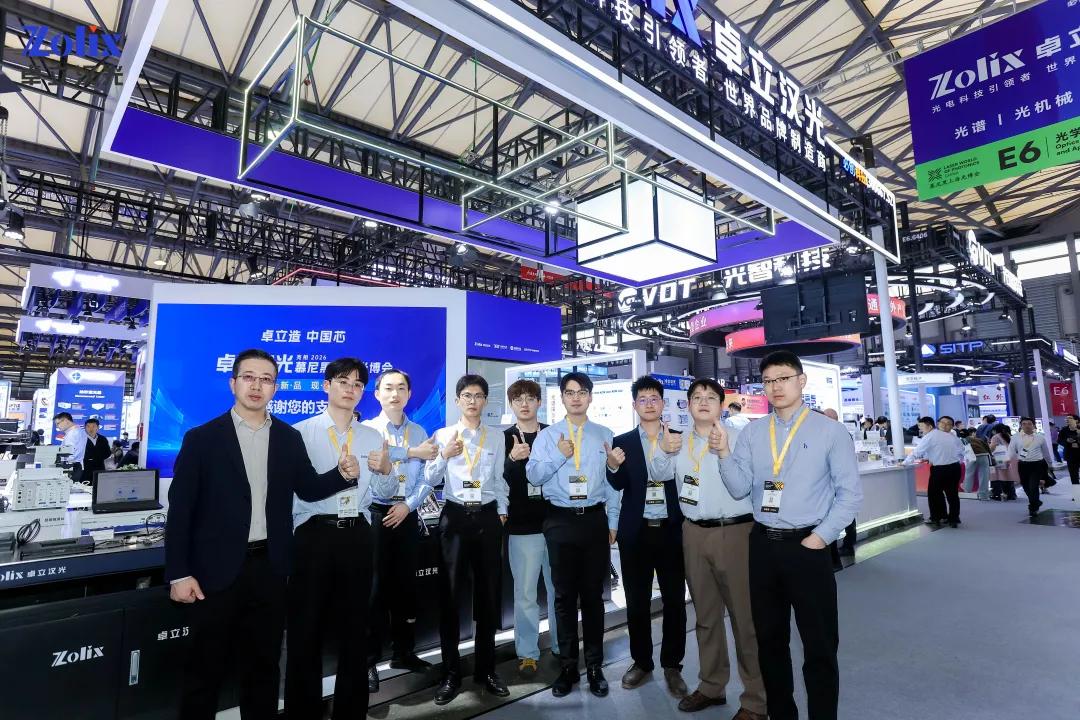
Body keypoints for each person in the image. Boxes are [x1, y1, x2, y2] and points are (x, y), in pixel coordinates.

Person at [165, 348, 361, 720]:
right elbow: (181, 512)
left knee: (264, 669)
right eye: (249, 377)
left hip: (269, 570)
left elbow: (308, 488)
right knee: (204, 671)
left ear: (275, 388)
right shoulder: (202, 439)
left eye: (266, 379)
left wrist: (342, 475)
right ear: (233, 383)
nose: (257, 386)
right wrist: (179, 573)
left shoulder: (287, 437)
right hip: (213, 574)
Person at [709, 350, 861, 720]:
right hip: (763, 545)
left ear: (801, 381)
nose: (775, 387)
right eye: (768, 381)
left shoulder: (830, 431)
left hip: (808, 546)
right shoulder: (753, 432)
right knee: (769, 641)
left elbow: (850, 495)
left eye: (783, 379)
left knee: (819, 644)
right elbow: (739, 489)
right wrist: (724, 453)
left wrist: (821, 537)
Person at [285, 358, 396, 720]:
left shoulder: (372, 437)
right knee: (306, 631)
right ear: (326, 385)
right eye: (343, 381)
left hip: (357, 535)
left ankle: (351, 712)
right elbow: (294, 492)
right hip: (314, 535)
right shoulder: (300, 433)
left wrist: (387, 471)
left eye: (358, 384)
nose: (351, 389)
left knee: (355, 631)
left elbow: (383, 492)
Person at [673, 378, 766, 719]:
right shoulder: (678, 442)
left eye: (710, 397)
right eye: (696, 397)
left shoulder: (741, 438)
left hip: (735, 532)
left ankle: (756, 700)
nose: (703, 402)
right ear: (687, 404)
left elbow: (744, 488)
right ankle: (712, 686)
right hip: (693, 533)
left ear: (721, 405)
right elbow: (659, 474)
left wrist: (724, 450)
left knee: (745, 618)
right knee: (706, 616)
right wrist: (661, 452)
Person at [527, 371, 621, 699]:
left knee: (594, 598)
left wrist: (612, 522)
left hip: (594, 521)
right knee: (563, 598)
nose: (576, 397)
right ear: (562, 397)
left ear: (591, 397)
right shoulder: (547, 436)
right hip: (560, 521)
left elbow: (613, 483)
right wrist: (559, 454)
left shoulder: (605, 434)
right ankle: (568, 666)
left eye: (582, 392)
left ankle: (594, 666)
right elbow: (534, 476)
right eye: (570, 392)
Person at [425, 374, 510, 705]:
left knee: (488, 595)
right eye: (467, 396)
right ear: (457, 400)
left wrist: (502, 512)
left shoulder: (497, 437)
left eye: (478, 395)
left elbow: (500, 479)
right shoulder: (443, 435)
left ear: (485, 400)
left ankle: (486, 670)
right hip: (455, 518)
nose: (473, 401)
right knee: (449, 596)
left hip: (487, 518)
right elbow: (429, 477)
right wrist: (444, 454)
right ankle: (450, 673)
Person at [606, 376, 687, 697]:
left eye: (654, 398)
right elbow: (617, 484)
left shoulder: (678, 438)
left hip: (672, 530)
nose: (649, 404)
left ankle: (672, 665)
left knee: (674, 601)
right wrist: (612, 466)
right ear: (634, 405)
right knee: (637, 601)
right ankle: (641, 662)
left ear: (663, 403)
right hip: (636, 532)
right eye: (643, 399)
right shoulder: (623, 441)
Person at [362, 368, 438, 692]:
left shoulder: (419, 431)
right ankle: (367, 662)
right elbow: (374, 460)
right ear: (377, 394)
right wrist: (411, 452)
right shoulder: (367, 429)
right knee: (374, 590)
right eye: (388, 388)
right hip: (376, 515)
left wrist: (408, 505)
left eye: (401, 388)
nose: (395, 394)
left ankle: (403, 653)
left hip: (406, 513)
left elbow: (427, 477)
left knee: (406, 588)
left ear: (409, 394)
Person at [502, 379, 559, 676]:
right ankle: (527, 653)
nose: (524, 404)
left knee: (559, 589)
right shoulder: (503, 439)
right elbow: (496, 481)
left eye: (530, 398)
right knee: (525, 594)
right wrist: (512, 459)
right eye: (518, 399)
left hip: (556, 523)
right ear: (511, 404)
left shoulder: (553, 435)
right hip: (521, 527)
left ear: (539, 402)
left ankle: (562, 645)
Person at [906, 416, 964, 528]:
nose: (945, 425)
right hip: (954, 468)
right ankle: (953, 519)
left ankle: (936, 518)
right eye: (943, 422)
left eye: (948, 424)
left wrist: (905, 462)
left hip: (940, 469)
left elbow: (917, 451)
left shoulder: (932, 435)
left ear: (952, 426)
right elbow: (961, 452)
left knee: (935, 494)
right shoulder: (953, 437)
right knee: (952, 495)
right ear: (938, 423)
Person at [1008, 417, 1050, 520]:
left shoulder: (1040, 437)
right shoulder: (1015, 437)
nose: (1027, 426)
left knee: (1033, 486)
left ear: (1033, 425)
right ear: (1021, 425)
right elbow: (1011, 450)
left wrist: (1050, 463)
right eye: (1024, 424)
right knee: (1026, 486)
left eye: (1029, 424)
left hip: (1037, 465)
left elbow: (1045, 452)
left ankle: (1033, 508)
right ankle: (1036, 502)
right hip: (1022, 465)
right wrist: (1010, 460)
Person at [54, 411, 86, 483]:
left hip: (70, 467)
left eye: (58, 423)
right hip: (77, 466)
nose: (57, 426)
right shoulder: (80, 431)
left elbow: (69, 453)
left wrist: (58, 461)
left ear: (65, 421)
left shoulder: (72, 434)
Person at [989, 424, 1016, 501]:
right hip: (1008, 458)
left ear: (995, 430)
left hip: (999, 458)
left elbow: (992, 447)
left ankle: (998, 494)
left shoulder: (995, 437)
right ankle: (1011, 494)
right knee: (1008, 476)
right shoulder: (1008, 436)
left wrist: (988, 449)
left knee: (997, 477)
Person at [1057, 414, 1080, 501]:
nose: (1067, 420)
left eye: (1070, 418)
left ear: (1076, 420)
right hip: (1070, 455)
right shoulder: (1064, 430)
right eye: (1066, 418)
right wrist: (1066, 441)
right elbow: (1059, 440)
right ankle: (1077, 495)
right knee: (1074, 476)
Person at [81, 417, 112, 482]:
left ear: (97, 428)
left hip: (99, 467)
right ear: (85, 428)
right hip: (85, 469)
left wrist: (96, 458)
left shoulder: (102, 439)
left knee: (99, 486)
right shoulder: (80, 439)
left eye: (93, 426)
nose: (91, 429)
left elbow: (108, 453)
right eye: (88, 426)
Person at [964, 431, 993, 501]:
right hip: (984, 455)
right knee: (984, 475)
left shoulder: (963, 440)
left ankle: (967, 493)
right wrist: (991, 455)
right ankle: (983, 496)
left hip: (971, 456)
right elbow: (987, 448)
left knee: (969, 474)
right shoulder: (979, 439)